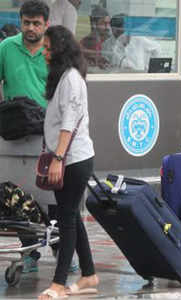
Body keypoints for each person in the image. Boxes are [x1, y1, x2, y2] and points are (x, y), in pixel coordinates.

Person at [39, 25, 97, 300]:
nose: (44, 53)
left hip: (73, 159)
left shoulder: (72, 79)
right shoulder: (62, 77)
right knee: (72, 214)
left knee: (66, 219)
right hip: (68, 158)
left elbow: (69, 123)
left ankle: (59, 283)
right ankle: (89, 275)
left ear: (61, 51)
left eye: (48, 48)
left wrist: (58, 159)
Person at [0, 0, 49, 272]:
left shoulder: (54, 50)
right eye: (26, 23)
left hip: (47, 133)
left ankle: (60, 246)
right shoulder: (6, 48)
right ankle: (30, 252)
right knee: (18, 195)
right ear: (20, 23)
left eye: (36, 23)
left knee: (51, 195)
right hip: (14, 132)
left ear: (46, 25)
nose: (31, 28)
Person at [80, 5, 110, 70]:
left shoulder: (107, 41)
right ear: (94, 24)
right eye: (103, 23)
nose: (107, 27)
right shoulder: (86, 43)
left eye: (108, 23)